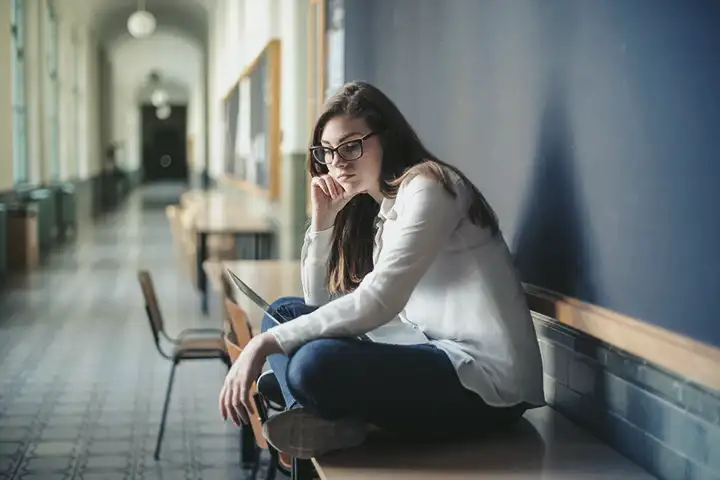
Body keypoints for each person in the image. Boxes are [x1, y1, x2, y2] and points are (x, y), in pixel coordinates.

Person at [219, 81, 545, 460]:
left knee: (312, 362)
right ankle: (318, 417)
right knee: (283, 314)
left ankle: (314, 410)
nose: (337, 162)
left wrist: (262, 346)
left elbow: (380, 301)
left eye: (352, 145)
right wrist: (323, 224)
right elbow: (317, 302)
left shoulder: (430, 187)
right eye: (327, 151)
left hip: (487, 385)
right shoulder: (386, 210)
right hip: (429, 352)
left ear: (387, 138)